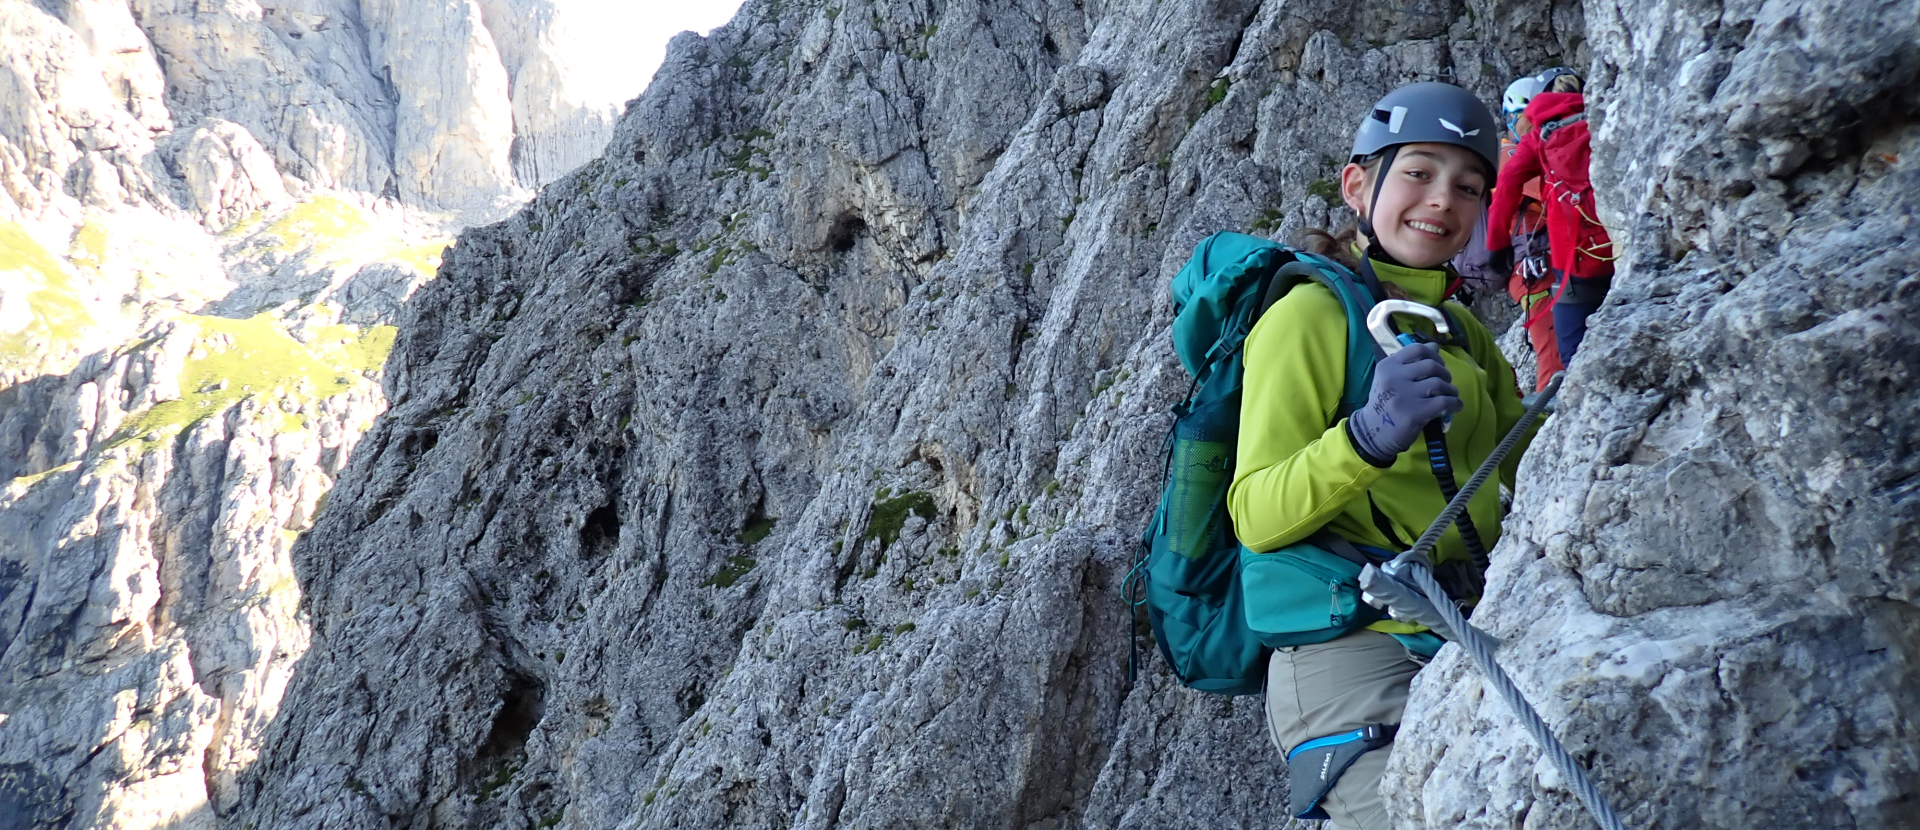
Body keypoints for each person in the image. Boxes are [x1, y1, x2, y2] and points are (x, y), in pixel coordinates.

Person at [1227, 83, 1537, 829]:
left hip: (1459, 631)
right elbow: (1256, 514)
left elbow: (1527, 468)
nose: (1442, 201)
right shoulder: (1306, 315)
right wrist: (1364, 438)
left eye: (1468, 186)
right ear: (1358, 184)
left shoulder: (1462, 335)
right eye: (1419, 172)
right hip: (1347, 656)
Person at [1487, 70, 1614, 366]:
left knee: (1569, 355)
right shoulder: (1605, 118)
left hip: (1574, 263)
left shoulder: (1536, 138)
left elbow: (1506, 188)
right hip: (1621, 250)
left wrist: (1497, 246)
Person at [1495, 71, 1564, 392]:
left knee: (1560, 345)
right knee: (1553, 356)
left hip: (1542, 264)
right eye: (1524, 118)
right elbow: (1548, 192)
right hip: (1532, 268)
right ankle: (1549, 420)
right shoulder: (1508, 154)